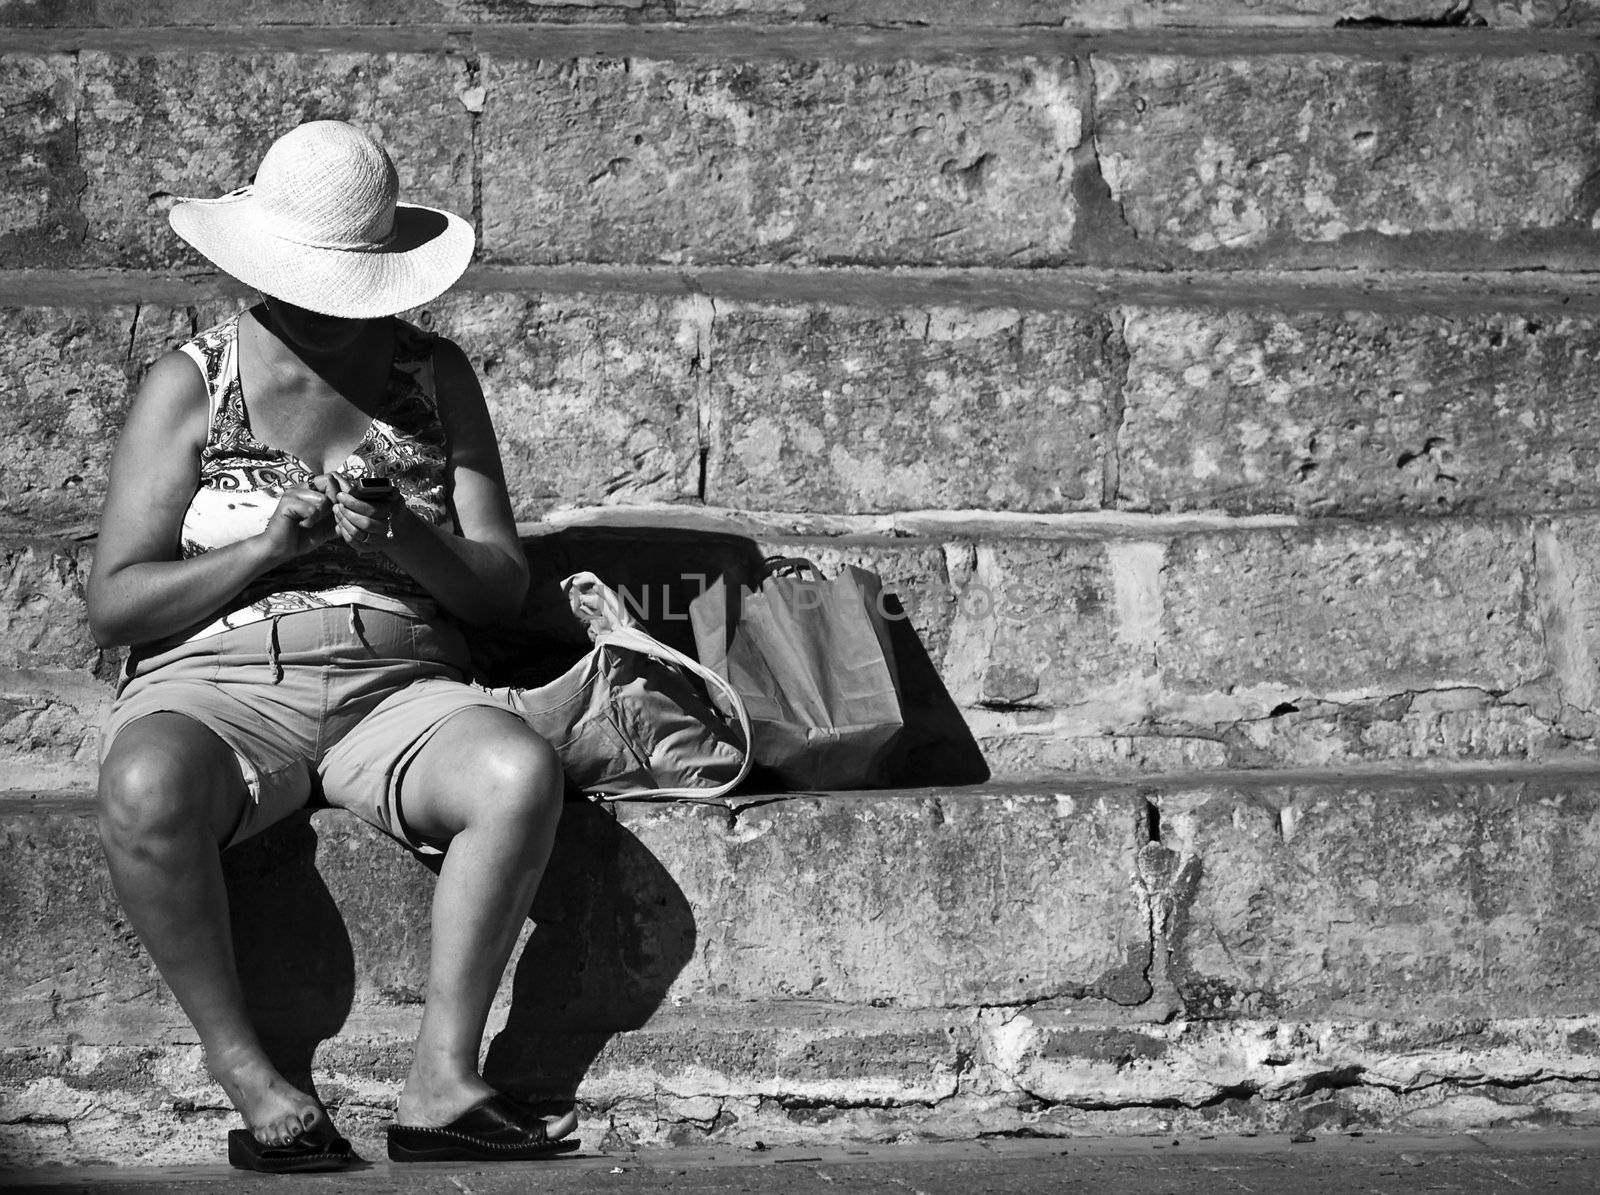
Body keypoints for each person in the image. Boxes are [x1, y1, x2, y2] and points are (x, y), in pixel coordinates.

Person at [87, 120, 579, 1171]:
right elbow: (117, 605)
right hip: (217, 684)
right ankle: (251, 1075)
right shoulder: (193, 381)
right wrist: (266, 548)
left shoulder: (433, 374)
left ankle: (443, 1082)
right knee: (141, 787)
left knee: (514, 768)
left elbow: (500, 587)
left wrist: (407, 535)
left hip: (396, 680)